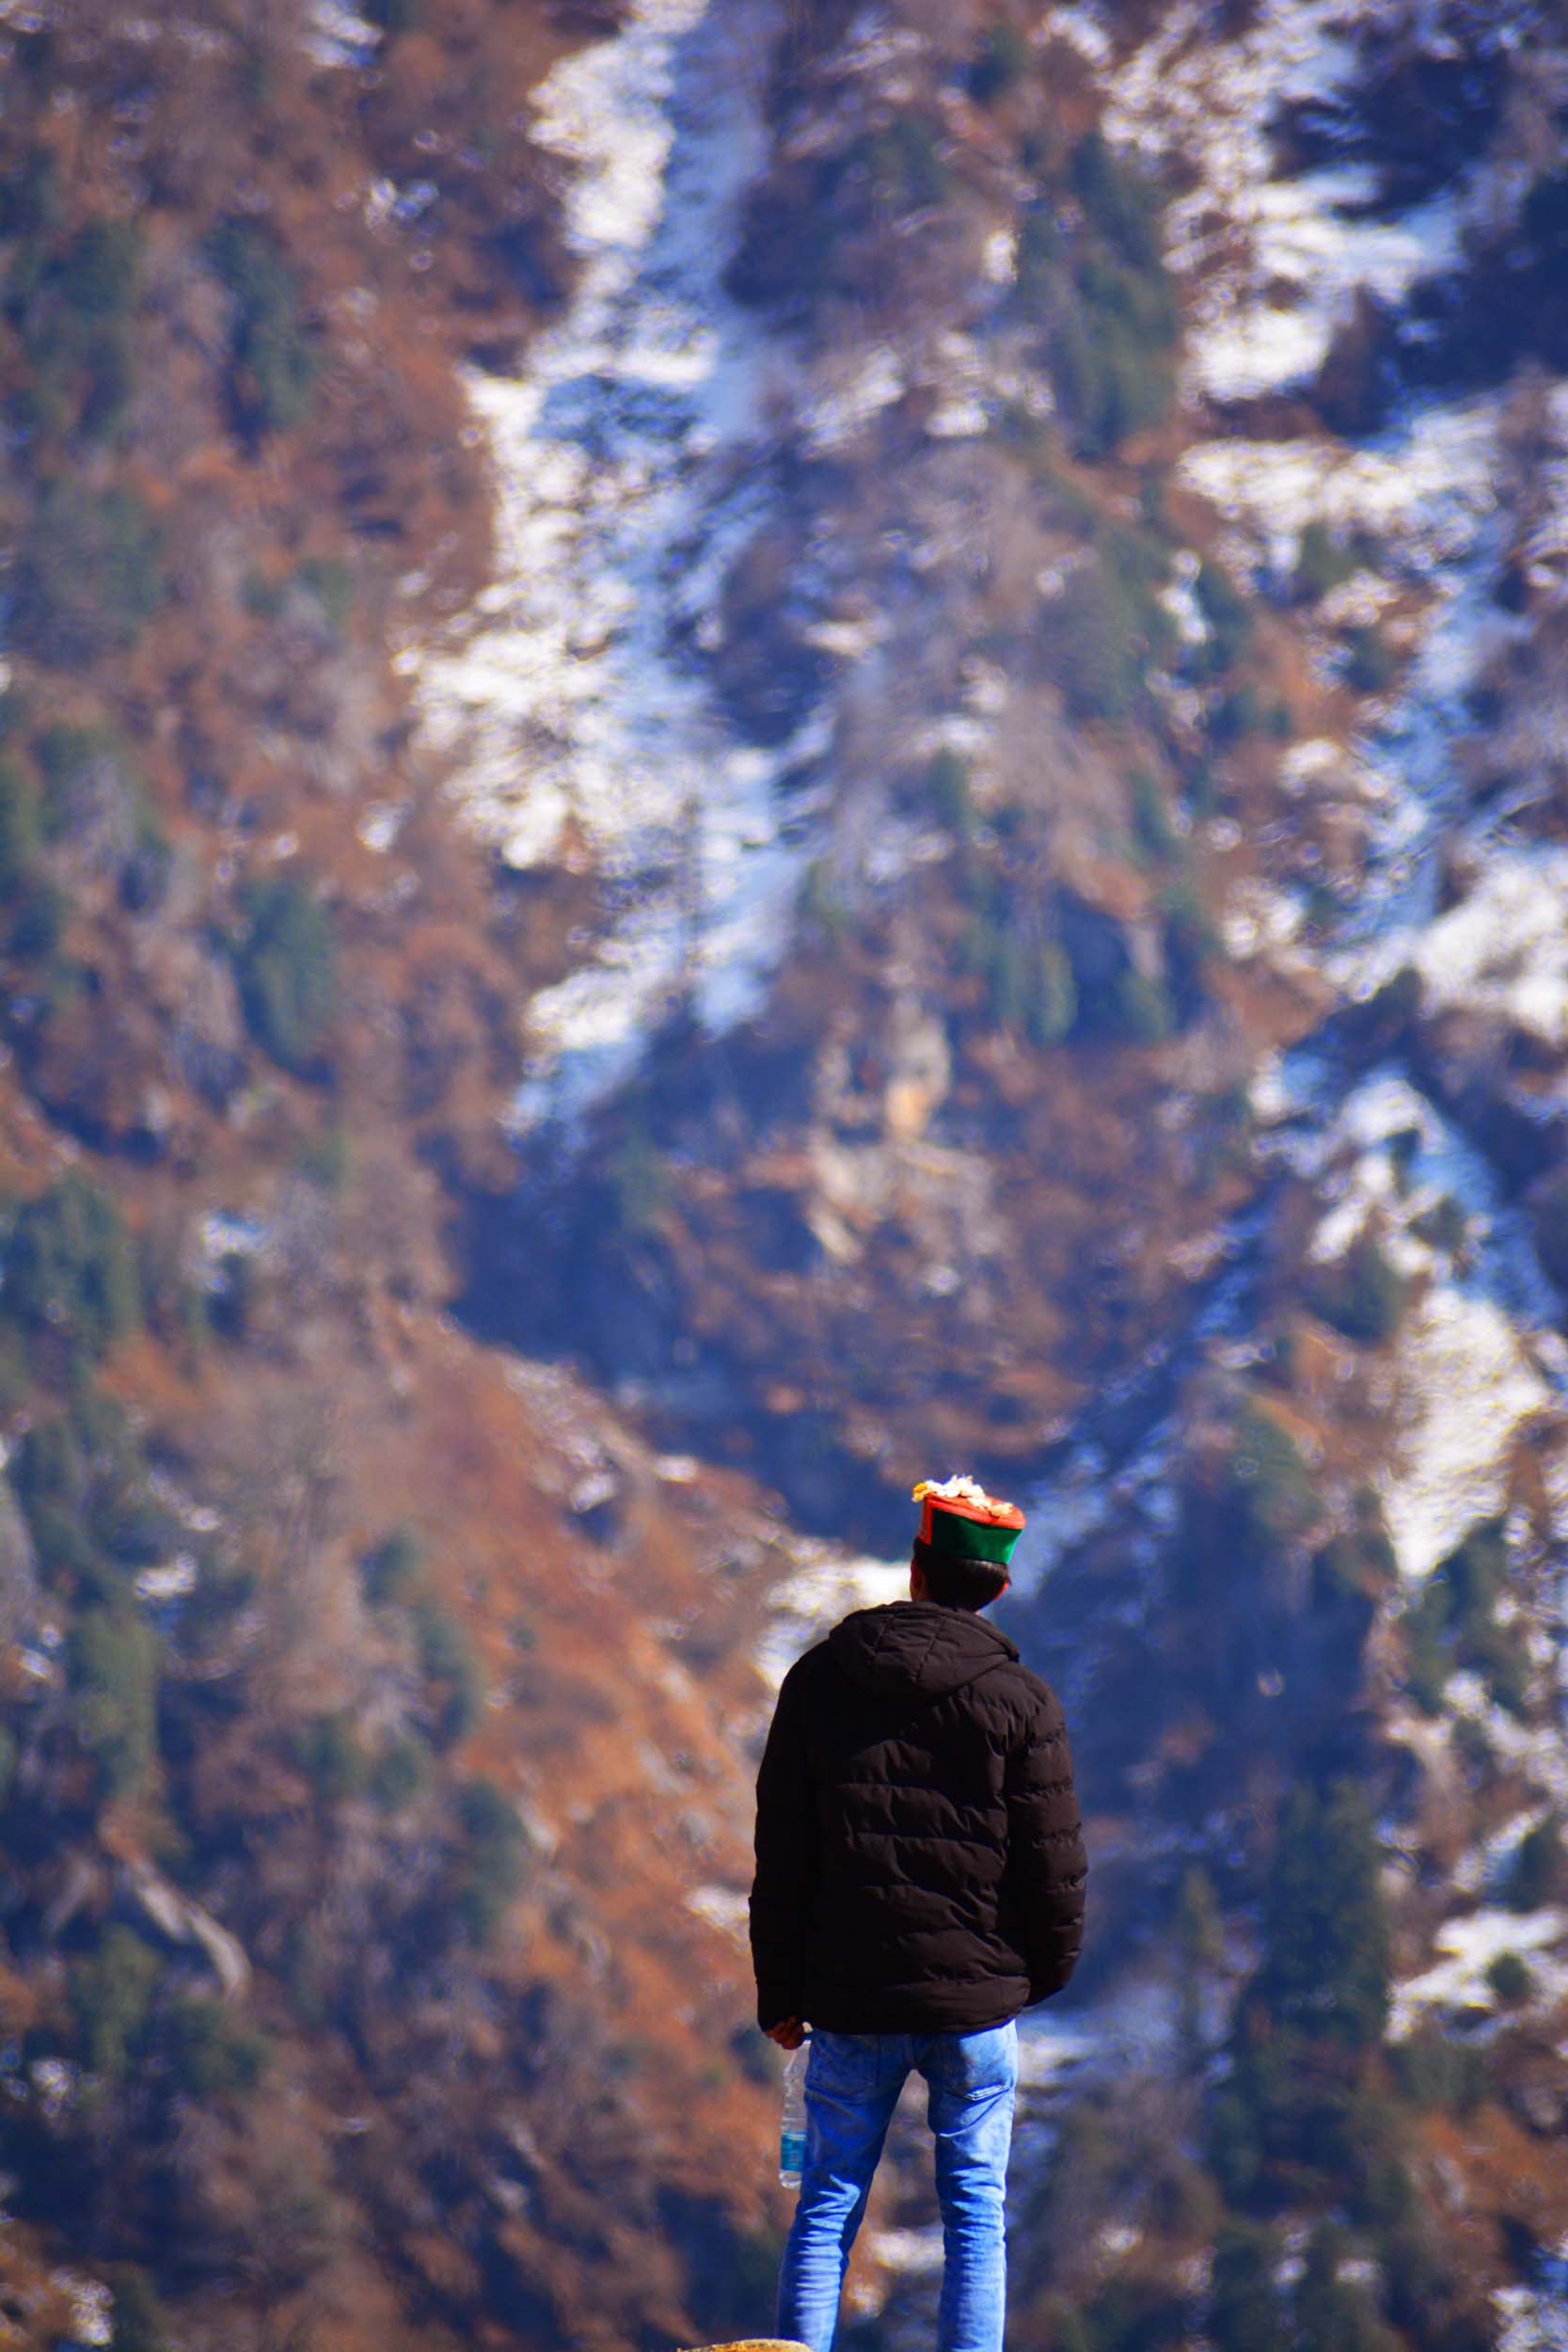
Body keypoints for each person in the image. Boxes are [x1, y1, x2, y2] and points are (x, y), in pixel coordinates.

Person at [750, 1475, 1086, 2352]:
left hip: (848, 1998)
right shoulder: (1023, 1704)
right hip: (974, 2004)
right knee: (975, 2217)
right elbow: (1053, 1867)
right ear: (999, 1589)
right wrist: (1031, 1979)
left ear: (915, 1569)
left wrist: (778, 1989)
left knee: (825, 2205)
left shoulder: (819, 1680)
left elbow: (783, 1850)